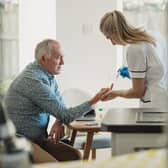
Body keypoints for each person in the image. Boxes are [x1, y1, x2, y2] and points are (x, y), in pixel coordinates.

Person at [4, 39, 110, 162]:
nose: (63, 62)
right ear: (44, 59)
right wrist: (94, 99)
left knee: (74, 156)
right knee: (53, 164)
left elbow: (61, 109)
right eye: (59, 58)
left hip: (39, 139)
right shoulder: (33, 80)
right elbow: (66, 115)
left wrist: (59, 121)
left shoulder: (48, 76)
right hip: (20, 141)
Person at [99, 10, 168, 108]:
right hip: (163, 98)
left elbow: (137, 92)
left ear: (116, 31)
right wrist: (135, 74)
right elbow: (156, 70)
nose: (113, 43)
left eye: (110, 38)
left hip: (155, 106)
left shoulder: (134, 48)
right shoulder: (150, 36)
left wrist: (115, 93)